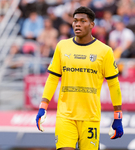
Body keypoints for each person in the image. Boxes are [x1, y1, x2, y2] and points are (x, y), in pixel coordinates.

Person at [35, 6, 124, 150]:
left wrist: (118, 115)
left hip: (90, 117)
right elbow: (52, 79)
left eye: (83, 21)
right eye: (75, 21)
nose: (77, 24)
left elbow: (114, 85)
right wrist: (43, 106)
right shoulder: (62, 46)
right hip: (65, 116)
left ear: (92, 25)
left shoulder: (105, 51)